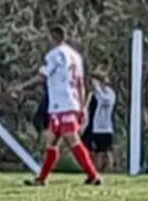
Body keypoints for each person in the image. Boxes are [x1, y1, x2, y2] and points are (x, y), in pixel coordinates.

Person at [26, 25, 101, 186]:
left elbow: (43, 76)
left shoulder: (55, 54)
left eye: (49, 37)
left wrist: (21, 86)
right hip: (68, 103)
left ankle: (93, 175)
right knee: (51, 140)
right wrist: (82, 106)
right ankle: (41, 179)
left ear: (54, 37)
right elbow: (80, 83)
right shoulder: (76, 56)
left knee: (72, 139)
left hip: (62, 103)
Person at [84, 69, 117, 174]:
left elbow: (104, 100)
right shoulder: (93, 94)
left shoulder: (109, 93)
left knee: (106, 151)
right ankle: (96, 171)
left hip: (105, 127)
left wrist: (97, 88)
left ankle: (110, 171)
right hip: (95, 127)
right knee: (97, 151)